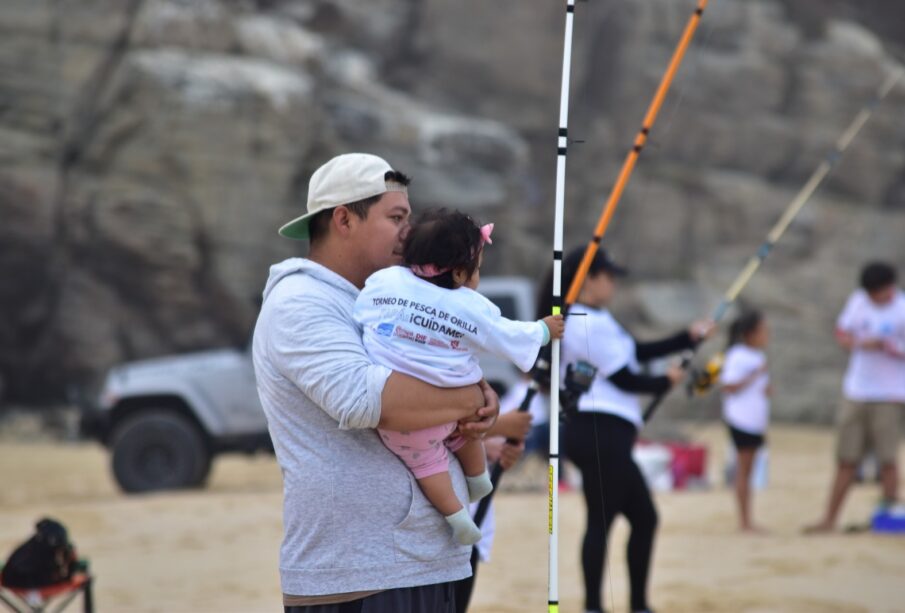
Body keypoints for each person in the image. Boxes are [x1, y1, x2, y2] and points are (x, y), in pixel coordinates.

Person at [252, 153, 501, 612]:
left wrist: (483, 400)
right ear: (344, 219)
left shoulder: (384, 297)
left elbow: (437, 378)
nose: (410, 232)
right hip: (355, 578)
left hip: (418, 565)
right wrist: (470, 397)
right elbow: (371, 402)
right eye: (396, 217)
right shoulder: (299, 301)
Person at [353, 208, 564, 546]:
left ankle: (456, 516)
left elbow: (361, 315)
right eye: (477, 269)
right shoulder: (471, 306)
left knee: (427, 466)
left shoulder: (387, 281)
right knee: (466, 433)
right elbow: (506, 335)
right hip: (453, 406)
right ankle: (478, 478)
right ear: (461, 273)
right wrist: (542, 330)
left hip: (398, 416)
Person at [552, 246, 714, 613]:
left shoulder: (600, 318)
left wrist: (686, 338)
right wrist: (663, 382)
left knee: (638, 518)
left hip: (608, 433)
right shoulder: (580, 322)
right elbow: (625, 378)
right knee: (607, 521)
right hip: (598, 431)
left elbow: (634, 352)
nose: (614, 284)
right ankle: (602, 606)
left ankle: (631, 604)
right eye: (608, 276)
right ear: (589, 279)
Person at [805, 261, 905, 534]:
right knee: (846, 458)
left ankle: (887, 520)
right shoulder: (858, 301)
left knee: (887, 459)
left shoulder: (902, 309)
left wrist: (887, 346)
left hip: (891, 394)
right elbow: (842, 332)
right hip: (857, 390)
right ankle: (829, 519)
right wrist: (858, 343)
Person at [719, 309, 771, 533]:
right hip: (741, 420)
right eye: (763, 330)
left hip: (755, 420)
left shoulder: (757, 356)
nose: (768, 334)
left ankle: (747, 519)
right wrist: (754, 376)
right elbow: (729, 386)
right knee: (744, 470)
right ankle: (745, 521)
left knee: (749, 470)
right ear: (750, 333)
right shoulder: (738, 355)